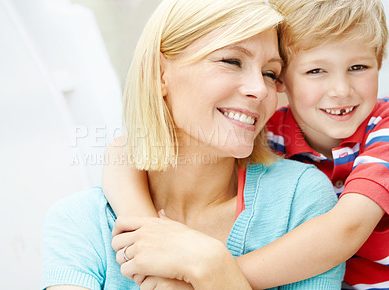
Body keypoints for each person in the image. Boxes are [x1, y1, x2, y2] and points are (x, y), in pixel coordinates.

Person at [41, 0, 344, 289]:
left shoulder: (301, 202)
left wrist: (213, 268)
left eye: (270, 73)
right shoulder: (81, 222)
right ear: (161, 74)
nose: (260, 90)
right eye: (231, 61)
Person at [102, 0, 389, 288]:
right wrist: (147, 231)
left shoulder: (384, 129)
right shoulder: (269, 128)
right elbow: (122, 152)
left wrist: (205, 274)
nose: (341, 90)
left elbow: (347, 229)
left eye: (358, 67)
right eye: (315, 71)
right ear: (282, 82)